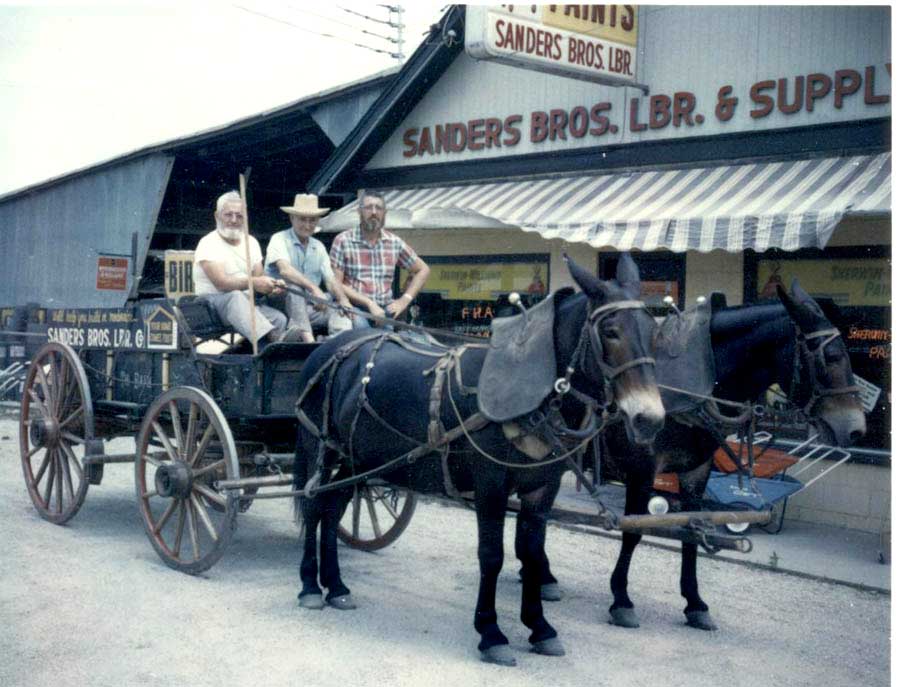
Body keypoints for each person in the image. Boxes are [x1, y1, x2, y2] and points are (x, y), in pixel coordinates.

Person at [193, 190, 302, 346]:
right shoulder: (208, 243)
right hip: (211, 305)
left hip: (245, 304)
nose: (234, 220)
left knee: (279, 319)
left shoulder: (251, 242)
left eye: (239, 216)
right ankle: (276, 340)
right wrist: (254, 282)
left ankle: (272, 356)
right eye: (228, 215)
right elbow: (221, 284)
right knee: (235, 296)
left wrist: (272, 287)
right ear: (217, 216)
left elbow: (258, 281)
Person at [329, 190, 430, 329]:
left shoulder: (394, 242)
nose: (374, 212)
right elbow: (335, 282)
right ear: (359, 211)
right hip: (354, 309)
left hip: (384, 312)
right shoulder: (343, 240)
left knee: (392, 341)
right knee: (362, 333)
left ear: (385, 213)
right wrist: (369, 303)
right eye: (368, 207)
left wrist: (404, 301)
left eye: (379, 208)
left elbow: (423, 269)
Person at [264, 194, 352, 342]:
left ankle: (330, 344)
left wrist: (343, 300)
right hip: (279, 303)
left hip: (309, 308)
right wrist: (314, 289)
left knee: (340, 311)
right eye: (302, 219)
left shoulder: (318, 246)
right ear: (292, 218)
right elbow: (285, 270)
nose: (307, 225)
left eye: (312, 220)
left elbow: (330, 279)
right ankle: (309, 342)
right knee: (295, 288)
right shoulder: (279, 239)